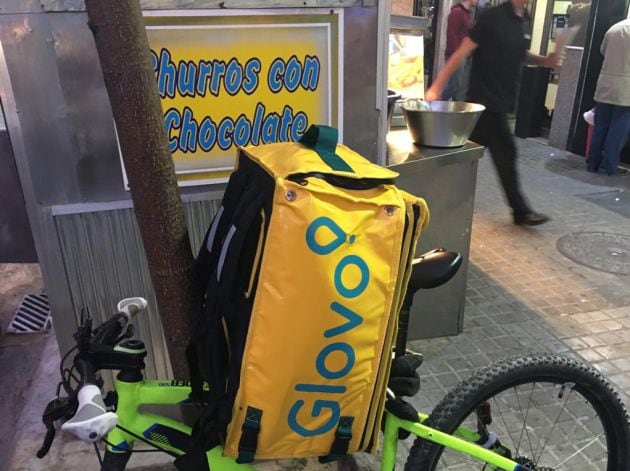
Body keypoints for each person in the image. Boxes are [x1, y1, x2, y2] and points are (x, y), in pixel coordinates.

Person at [425, 0, 559, 226]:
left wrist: (544, 60)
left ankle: (434, 201)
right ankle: (520, 211)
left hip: (500, 101)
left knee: (463, 159)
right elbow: (461, 52)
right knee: (505, 153)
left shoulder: (523, 20)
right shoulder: (493, 17)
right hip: (484, 101)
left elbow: (519, 52)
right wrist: (437, 86)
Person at [586, 19, 630, 176]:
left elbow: (603, 51)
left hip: (605, 83)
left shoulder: (614, 28)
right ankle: (608, 167)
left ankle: (592, 163)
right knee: (618, 130)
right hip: (626, 88)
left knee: (600, 126)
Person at [441, 0, 478, 101]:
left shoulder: (467, 14)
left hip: (464, 56)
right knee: (453, 86)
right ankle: (434, 106)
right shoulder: (456, 12)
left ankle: (456, 113)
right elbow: (452, 36)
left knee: (460, 88)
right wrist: (457, 56)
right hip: (457, 56)